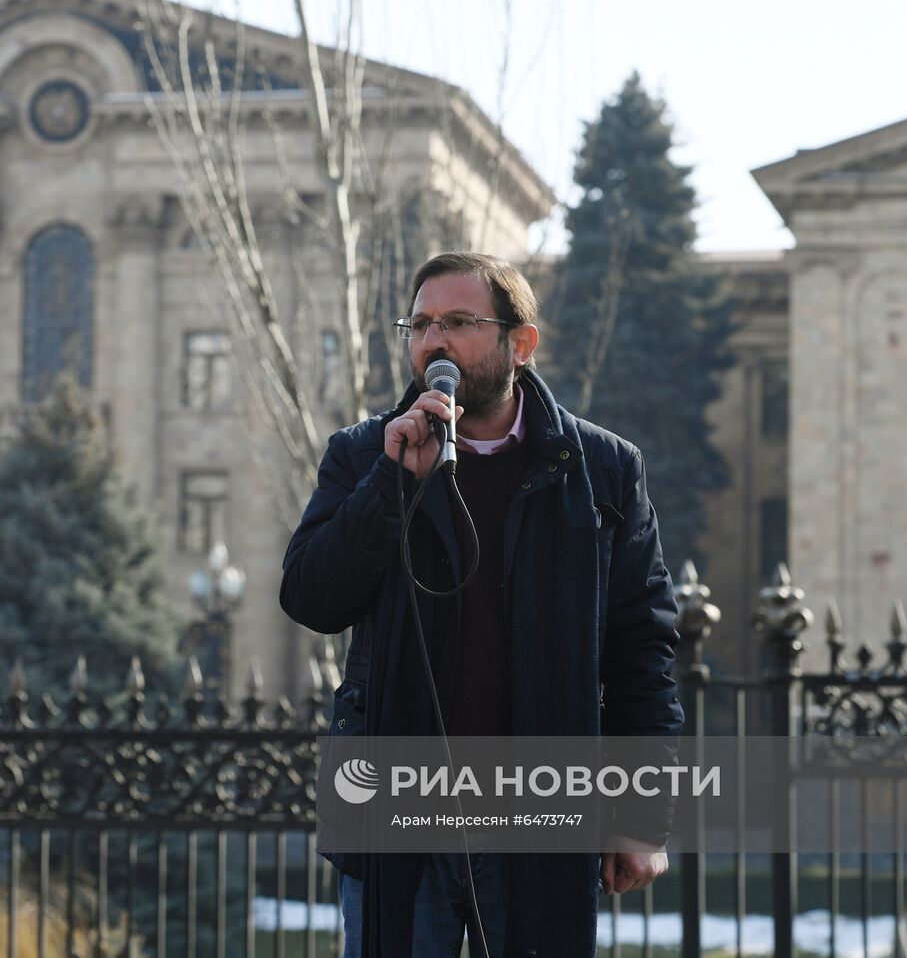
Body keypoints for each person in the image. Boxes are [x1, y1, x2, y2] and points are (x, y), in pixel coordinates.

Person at [279, 252, 684, 957]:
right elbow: (313, 596)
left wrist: (642, 814)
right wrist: (391, 485)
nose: (434, 341)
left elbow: (640, 649)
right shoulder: (363, 455)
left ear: (519, 344)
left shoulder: (603, 471)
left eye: (460, 321)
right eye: (421, 324)